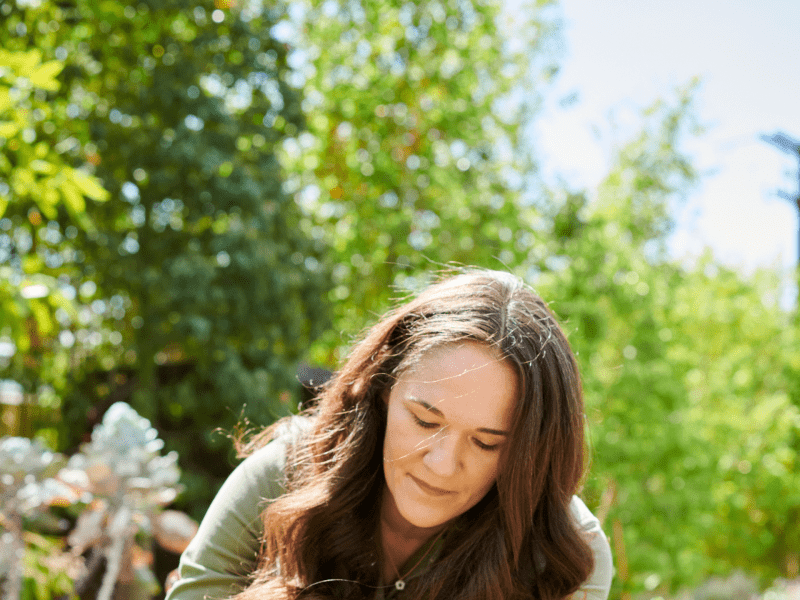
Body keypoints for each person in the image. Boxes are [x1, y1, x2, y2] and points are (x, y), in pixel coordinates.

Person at [166, 269, 613, 600]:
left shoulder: (569, 551)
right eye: (424, 420)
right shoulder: (284, 474)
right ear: (382, 388)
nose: (441, 464)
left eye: (486, 442)